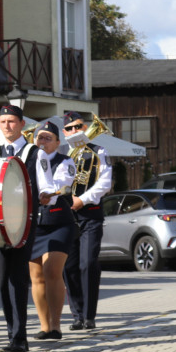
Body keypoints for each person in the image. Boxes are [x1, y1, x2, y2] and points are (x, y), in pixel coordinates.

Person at [0, 104, 55, 352]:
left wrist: (44, 194)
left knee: (18, 279)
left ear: (21, 124)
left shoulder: (34, 152)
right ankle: (12, 333)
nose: (7, 126)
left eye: (11, 121)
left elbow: (48, 185)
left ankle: (20, 337)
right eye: (3, 122)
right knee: (2, 281)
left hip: (24, 224)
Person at [62, 111, 113, 330]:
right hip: (66, 216)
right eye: (70, 128)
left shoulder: (99, 151)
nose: (74, 131)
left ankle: (89, 315)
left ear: (85, 127)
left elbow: (105, 183)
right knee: (69, 267)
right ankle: (77, 314)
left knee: (88, 264)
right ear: (64, 132)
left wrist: (82, 200)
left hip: (90, 214)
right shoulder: (63, 154)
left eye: (78, 126)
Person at [28, 120, 77, 340]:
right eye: (40, 137)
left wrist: (48, 192)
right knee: (37, 276)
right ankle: (44, 326)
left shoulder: (65, 162)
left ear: (57, 142)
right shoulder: (27, 161)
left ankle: (56, 326)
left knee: (51, 271)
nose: (43, 141)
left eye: (48, 138)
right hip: (34, 224)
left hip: (58, 222)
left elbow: (57, 185)